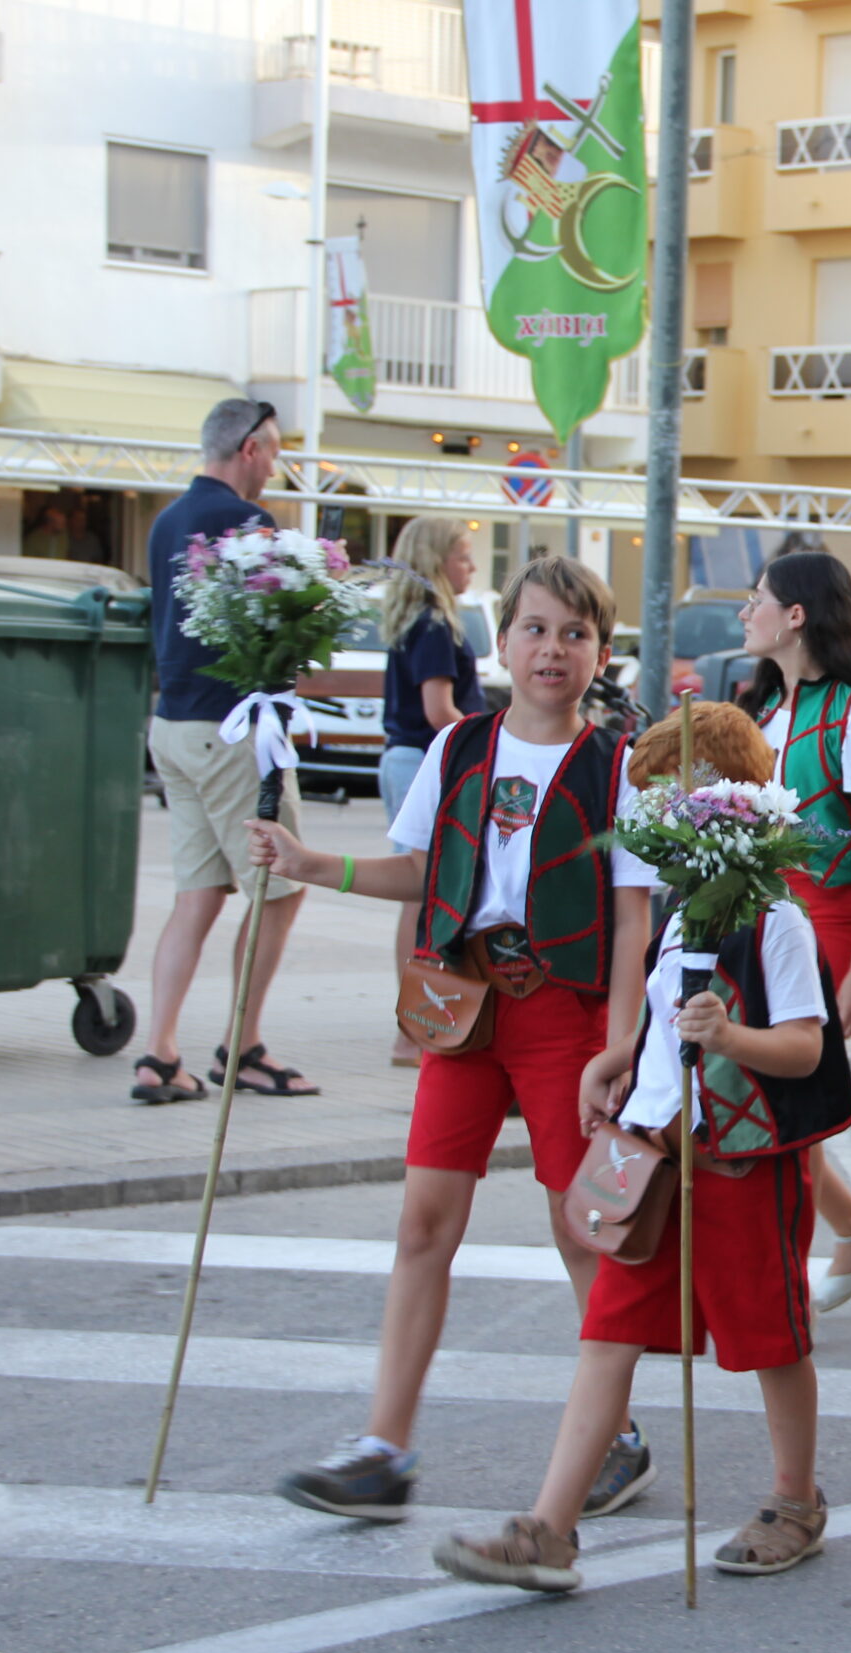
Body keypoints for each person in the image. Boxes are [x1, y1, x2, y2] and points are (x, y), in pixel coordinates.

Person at [250, 556, 657, 1523]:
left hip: (568, 1014)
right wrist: (312, 864)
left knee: (584, 1225)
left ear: (600, 654)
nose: (552, 648)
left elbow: (635, 919)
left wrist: (622, 1041)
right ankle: (384, 1448)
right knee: (423, 1223)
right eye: (535, 628)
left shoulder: (621, 765)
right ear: (501, 641)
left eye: (574, 633)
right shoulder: (462, 748)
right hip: (464, 1004)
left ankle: (618, 1435)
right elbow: (420, 870)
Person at [436, 709, 851, 1591]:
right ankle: (550, 1526)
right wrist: (618, 1059)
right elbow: (669, 1018)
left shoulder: (775, 915)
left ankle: (795, 1498)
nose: (661, 805)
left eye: (677, 787)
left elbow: (807, 1048)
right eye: (656, 791)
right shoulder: (682, 907)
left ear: (726, 796)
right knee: (608, 1330)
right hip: (658, 1152)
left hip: (740, 1156)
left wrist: (732, 1038)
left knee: (769, 1337)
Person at [130, 398, 321, 1105]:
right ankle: (242, 1046)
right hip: (231, 729)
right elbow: (274, 625)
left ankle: (159, 1052)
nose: (275, 466)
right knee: (282, 887)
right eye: (272, 451)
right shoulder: (246, 524)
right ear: (247, 447)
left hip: (172, 726)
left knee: (199, 894)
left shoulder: (167, 520)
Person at [735, 550, 851, 1313]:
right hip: (769, 923)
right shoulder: (768, 709)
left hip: (829, 926)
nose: (746, 611)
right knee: (767, 1097)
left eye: (757, 598)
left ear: (796, 614)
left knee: (778, 1100)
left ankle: (810, 1255)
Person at [378, 517, 485, 1069]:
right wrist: (488, 741)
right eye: (464, 556)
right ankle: (415, 1028)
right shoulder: (436, 625)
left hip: (406, 759)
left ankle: (413, 1026)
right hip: (428, 763)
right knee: (428, 898)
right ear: (437, 559)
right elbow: (438, 710)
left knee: (419, 895)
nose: (471, 567)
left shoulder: (413, 622)